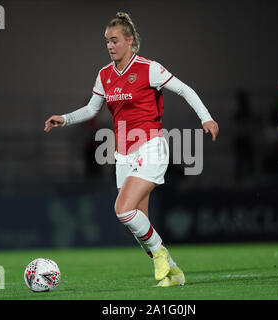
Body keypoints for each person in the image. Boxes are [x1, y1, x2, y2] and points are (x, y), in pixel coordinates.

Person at [44, 12, 219, 286]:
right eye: (106, 42)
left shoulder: (149, 68)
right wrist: (64, 119)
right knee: (138, 224)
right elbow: (92, 109)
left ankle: (161, 255)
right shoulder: (105, 74)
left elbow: (185, 90)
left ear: (129, 40)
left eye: (114, 40)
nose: (110, 46)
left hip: (150, 147)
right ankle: (174, 272)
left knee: (123, 209)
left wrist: (205, 117)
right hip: (123, 154)